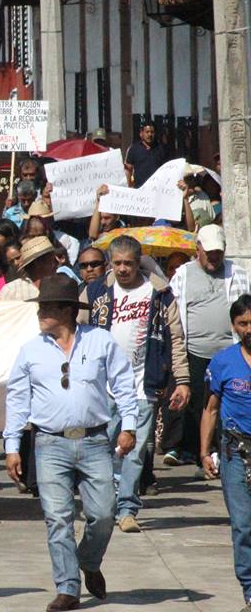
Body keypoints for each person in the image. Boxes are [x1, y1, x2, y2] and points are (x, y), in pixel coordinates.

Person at [4, 274, 138, 612]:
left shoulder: (101, 341)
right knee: (58, 517)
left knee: (104, 514)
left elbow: (124, 385)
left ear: (66, 311)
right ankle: (68, 587)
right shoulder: (30, 351)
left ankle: (88, 561)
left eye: (46, 307)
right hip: (49, 444)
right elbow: (17, 400)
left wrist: (130, 425)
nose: (40, 313)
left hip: (94, 441)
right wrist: (11, 447)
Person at [79, 236, 190, 533]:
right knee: (102, 448)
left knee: (136, 449)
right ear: (110, 264)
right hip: (102, 386)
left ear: (138, 261)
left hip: (144, 384)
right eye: (118, 263)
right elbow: (77, 333)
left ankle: (127, 507)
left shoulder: (160, 293)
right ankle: (103, 503)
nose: (124, 269)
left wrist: (181, 380)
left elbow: (175, 339)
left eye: (129, 263)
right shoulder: (95, 292)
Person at [165, 225, 250, 468]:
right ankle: (192, 450)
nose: (214, 257)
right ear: (198, 249)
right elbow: (176, 313)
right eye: (209, 251)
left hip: (230, 351)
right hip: (194, 350)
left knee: (225, 403)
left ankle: (223, 451)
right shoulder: (182, 274)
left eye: (218, 252)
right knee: (194, 404)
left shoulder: (238, 272)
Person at [200, 294, 251, 611]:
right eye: (243, 323)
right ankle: (250, 588)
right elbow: (210, 408)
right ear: (234, 326)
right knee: (243, 523)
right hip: (235, 451)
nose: (250, 329)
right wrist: (204, 451)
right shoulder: (222, 362)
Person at [125, 121, 169, 187]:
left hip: (157, 188)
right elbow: (128, 169)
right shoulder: (134, 149)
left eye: (152, 132)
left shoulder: (161, 149)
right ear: (141, 133)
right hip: (139, 188)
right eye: (147, 132)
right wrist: (129, 185)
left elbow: (167, 168)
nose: (150, 134)